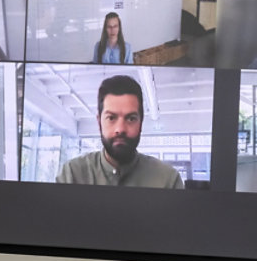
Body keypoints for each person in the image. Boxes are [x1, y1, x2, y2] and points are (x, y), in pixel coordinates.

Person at [56, 74, 184, 188]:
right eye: (111, 118)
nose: (120, 129)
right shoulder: (72, 175)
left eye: (131, 118)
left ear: (141, 122)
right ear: (99, 122)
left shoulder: (168, 181)